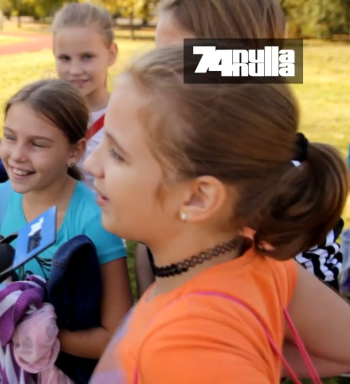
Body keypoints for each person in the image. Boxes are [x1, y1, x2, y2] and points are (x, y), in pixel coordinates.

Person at [86, 44, 350, 383]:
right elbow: (343, 346)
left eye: (118, 154)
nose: (93, 164)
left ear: (198, 197)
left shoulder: (185, 348)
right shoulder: (260, 262)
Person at [134, 0, 347, 298]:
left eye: (172, 60)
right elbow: (150, 251)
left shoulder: (277, 193)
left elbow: (304, 325)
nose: (153, 76)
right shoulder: (178, 158)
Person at [0, 79, 133, 360]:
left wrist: (22, 329)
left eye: (37, 144)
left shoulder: (96, 220)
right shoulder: (1, 198)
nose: (16, 156)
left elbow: (116, 338)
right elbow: (4, 281)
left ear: (75, 151)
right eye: (10, 137)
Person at [51, 2, 118, 191]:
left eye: (87, 57)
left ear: (111, 54)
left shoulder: (128, 118)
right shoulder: (46, 114)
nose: (75, 70)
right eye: (65, 58)